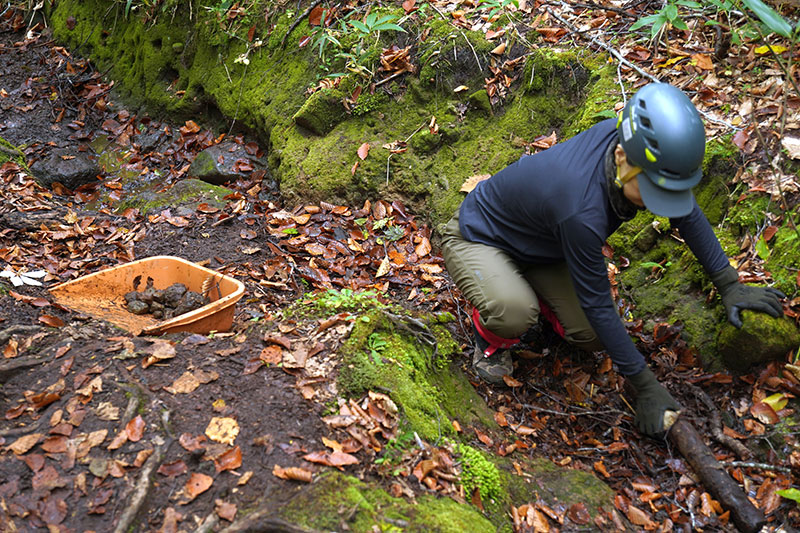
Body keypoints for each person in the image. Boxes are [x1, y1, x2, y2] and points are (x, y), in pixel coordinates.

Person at [441, 82, 786, 436]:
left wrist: (729, 284)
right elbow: (598, 303)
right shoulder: (579, 208)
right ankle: (492, 335)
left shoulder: (633, 149)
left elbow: (686, 212)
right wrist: (646, 385)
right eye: (652, 191)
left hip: (546, 247)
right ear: (621, 157)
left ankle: (531, 294)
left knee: (591, 336)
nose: (657, 202)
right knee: (514, 312)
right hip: (480, 237)